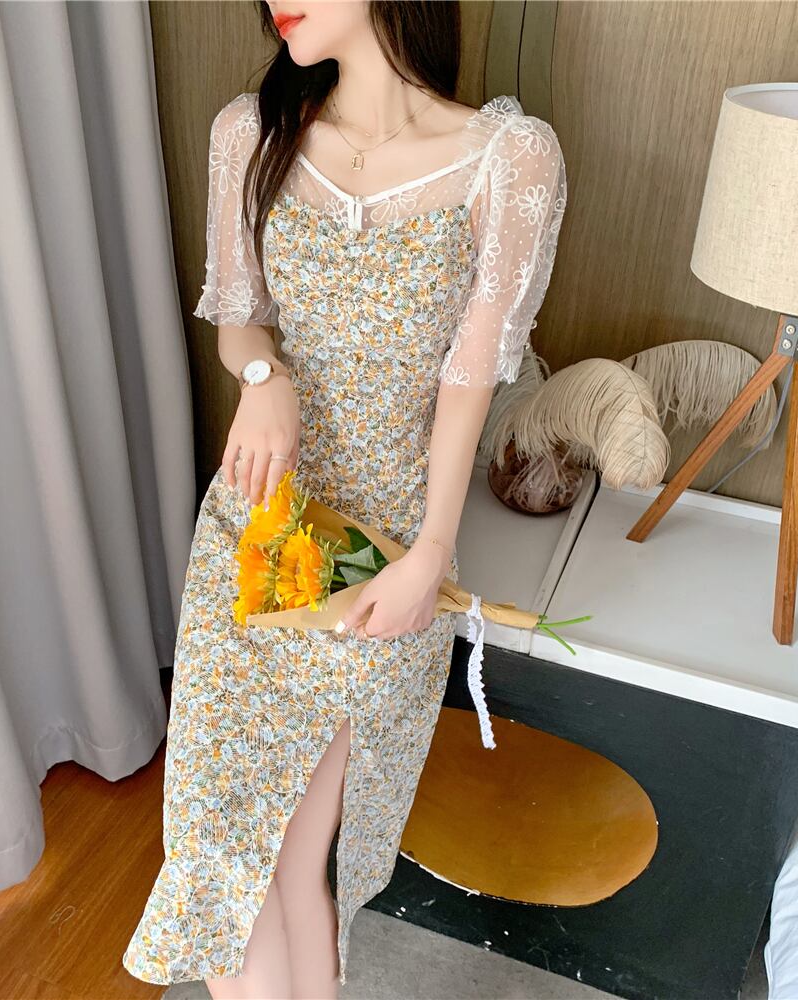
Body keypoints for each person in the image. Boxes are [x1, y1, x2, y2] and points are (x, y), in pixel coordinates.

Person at [121, 1, 566, 997]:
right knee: (219, 853)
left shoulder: (508, 160)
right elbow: (240, 319)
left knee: (293, 857)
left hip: (379, 554)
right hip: (259, 530)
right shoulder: (249, 133)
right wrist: (263, 377)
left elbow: (466, 387)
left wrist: (430, 554)